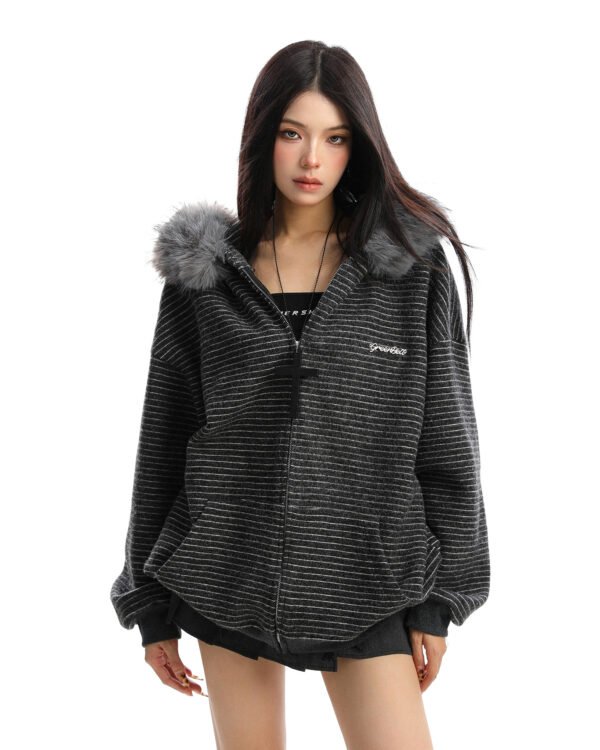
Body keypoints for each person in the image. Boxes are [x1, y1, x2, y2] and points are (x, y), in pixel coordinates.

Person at [110, 40, 490, 750]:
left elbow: (448, 438)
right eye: (293, 133)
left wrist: (442, 600)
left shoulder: (411, 269)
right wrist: (147, 603)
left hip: (369, 573)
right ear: (263, 138)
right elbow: (163, 437)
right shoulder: (204, 277)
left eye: (335, 138)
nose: (312, 158)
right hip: (226, 571)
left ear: (359, 147)